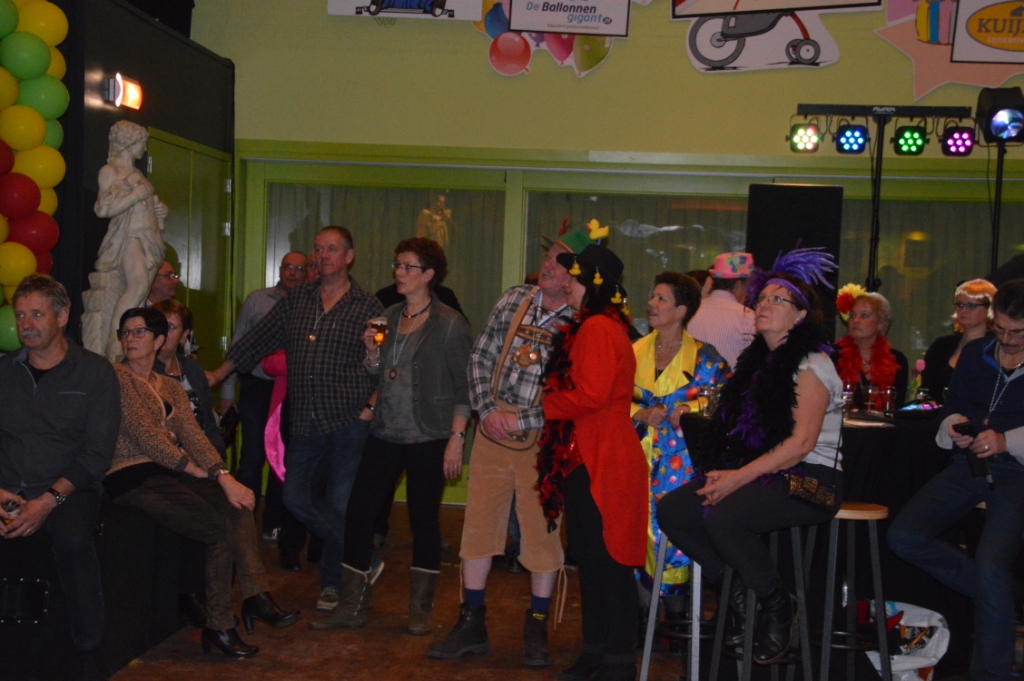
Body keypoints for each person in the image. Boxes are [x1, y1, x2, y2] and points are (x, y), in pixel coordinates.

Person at [656, 248, 845, 666]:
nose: (764, 305)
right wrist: (723, 470)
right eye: (761, 298)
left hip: (813, 481)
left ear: (800, 315)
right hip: (766, 475)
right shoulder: (756, 363)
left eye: (778, 300)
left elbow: (800, 445)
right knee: (675, 510)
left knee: (724, 517)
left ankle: (777, 602)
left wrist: (736, 478)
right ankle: (739, 589)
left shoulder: (812, 364)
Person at [205, 226, 385, 615]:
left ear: (349, 256)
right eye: (319, 249)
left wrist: (370, 405)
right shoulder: (298, 300)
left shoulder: (367, 306)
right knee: (294, 498)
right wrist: (218, 375)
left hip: (348, 422)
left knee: (338, 505)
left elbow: (382, 366)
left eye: (332, 249)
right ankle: (364, 559)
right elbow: (257, 340)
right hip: (304, 421)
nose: (323, 256)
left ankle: (333, 585)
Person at [104, 307, 299, 658]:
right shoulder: (116, 377)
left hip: (169, 473)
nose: (130, 339)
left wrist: (223, 476)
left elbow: (194, 436)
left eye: (139, 331)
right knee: (218, 532)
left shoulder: (169, 385)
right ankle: (219, 625)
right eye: (125, 332)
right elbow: (144, 435)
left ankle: (255, 596)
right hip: (133, 475)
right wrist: (192, 468)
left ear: (159, 340)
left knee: (237, 503)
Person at [428, 236, 576, 667]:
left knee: (542, 533)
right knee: (478, 527)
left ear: (576, 275)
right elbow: (479, 358)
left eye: (559, 261)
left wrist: (522, 419)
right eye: (548, 256)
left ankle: (537, 626)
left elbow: (576, 394)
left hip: (543, 441)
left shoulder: (581, 320)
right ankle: (471, 621)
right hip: (492, 432)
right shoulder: (515, 298)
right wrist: (488, 410)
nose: (547, 265)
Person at [317, 238, 471, 634]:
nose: (399, 273)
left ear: (429, 274)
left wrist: (456, 438)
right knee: (359, 514)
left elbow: (463, 387)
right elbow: (380, 374)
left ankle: (420, 610)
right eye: (397, 265)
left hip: (429, 435)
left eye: (407, 267)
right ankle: (352, 604)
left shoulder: (450, 323)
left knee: (423, 519)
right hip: (385, 431)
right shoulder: (387, 315)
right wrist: (371, 351)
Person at [888, 279, 1024, 681]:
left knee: (992, 564)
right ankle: (999, 595)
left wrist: (1005, 440)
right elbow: (950, 408)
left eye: (1018, 332)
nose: (1008, 340)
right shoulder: (977, 354)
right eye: (1001, 329)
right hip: (972, 464)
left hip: (1018, 471)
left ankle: (993, 672)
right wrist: (953, 427)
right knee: (904, 535)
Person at [536, 244, 648, 681]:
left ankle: (616, 661)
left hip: (603, 456)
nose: (566, 282)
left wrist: (543, 403)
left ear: (592, 283)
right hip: (593, 453)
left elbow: (592, 395)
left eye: (575, 277)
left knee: (609, 562)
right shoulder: (600, 325)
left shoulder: (598, 327)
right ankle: (598, 654)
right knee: (595, 559)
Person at [0, 275, 120, 680]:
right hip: (6, 486)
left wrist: (47, 501)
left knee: (71, 540)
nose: (26, 324)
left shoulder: (95, 373)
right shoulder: (3, 372)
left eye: (37, 314)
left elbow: (97, 455)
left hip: (69, 488)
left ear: (63, 316)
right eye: (20, 315)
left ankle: (89, 650)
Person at [631, 273, 729, 627]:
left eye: (661, 299)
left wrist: (692, 408)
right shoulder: (632, 352)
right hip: (635, 458)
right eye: (652, 296)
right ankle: (640, 616)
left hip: (681, 463)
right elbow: (609, 398)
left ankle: (677, 618)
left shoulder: (706, 358)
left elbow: (726, 403)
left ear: (681, 310)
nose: (651, 304)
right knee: (636, 531)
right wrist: (639, 412)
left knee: (671, 535)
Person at [219, 251, 308, 543]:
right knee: (252, 456)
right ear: (279, 269)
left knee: (283, 459)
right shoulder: (256, 300)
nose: (292, 273)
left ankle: (274, 523)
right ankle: (242, 524)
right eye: (288, 267)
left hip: (291, 390)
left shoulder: (310, 304)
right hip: (256, 387)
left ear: (307, 273)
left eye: (299, 268)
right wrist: (227, 391)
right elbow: (238, 345)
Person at [82, 120, 168, 361]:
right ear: (130, 143)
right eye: (142, 143)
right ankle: (116, 340)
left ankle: (130, 337)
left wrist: (159, 210)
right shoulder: (110, 171)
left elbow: (146, 204)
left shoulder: (137, 173)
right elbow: (103, 209)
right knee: (138, 285)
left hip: (147, 237)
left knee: (141, 293)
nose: (144, 148)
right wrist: (136, 196)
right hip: (129, 237)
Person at [920, 279, 996, 403]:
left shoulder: (997, 348)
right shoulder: (941, 345)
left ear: (990, 309)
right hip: (937, 413)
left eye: (972, 306)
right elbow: (925, 389)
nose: (963, 310)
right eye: (960, 305)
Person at [833, 290, 909, 410]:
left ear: (881, 324)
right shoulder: (834, 355)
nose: (855, 320)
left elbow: (897, 407)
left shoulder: (897, 360)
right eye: (852, 315)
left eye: (864, 315)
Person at [686, 252, 756, 368]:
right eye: (749, 286)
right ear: (739, 285)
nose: (749, 292)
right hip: (731, 380)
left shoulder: (690, 311)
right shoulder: (747, 316)